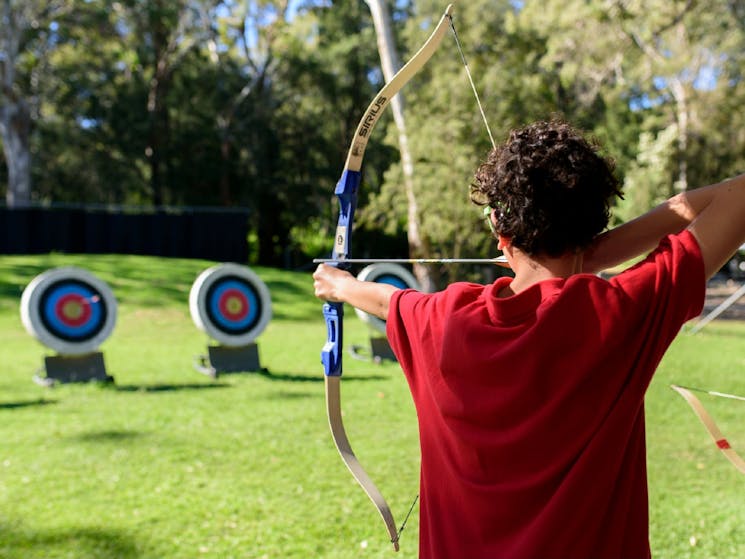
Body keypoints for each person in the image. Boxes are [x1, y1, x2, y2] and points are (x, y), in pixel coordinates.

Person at [313, 118, 745, 559]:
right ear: (593, 225)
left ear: (501, 233)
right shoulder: (623, 311)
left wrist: (338, 285)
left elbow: (388, 300)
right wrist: (596, 249)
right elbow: (739, 195)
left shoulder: (444, 319)